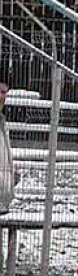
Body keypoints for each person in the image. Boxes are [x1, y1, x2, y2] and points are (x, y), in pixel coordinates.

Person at [0, 73, 18, 215]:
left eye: (5, 93)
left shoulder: (2, 121)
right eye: (0, 92)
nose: (3, 97)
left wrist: (13, 174)